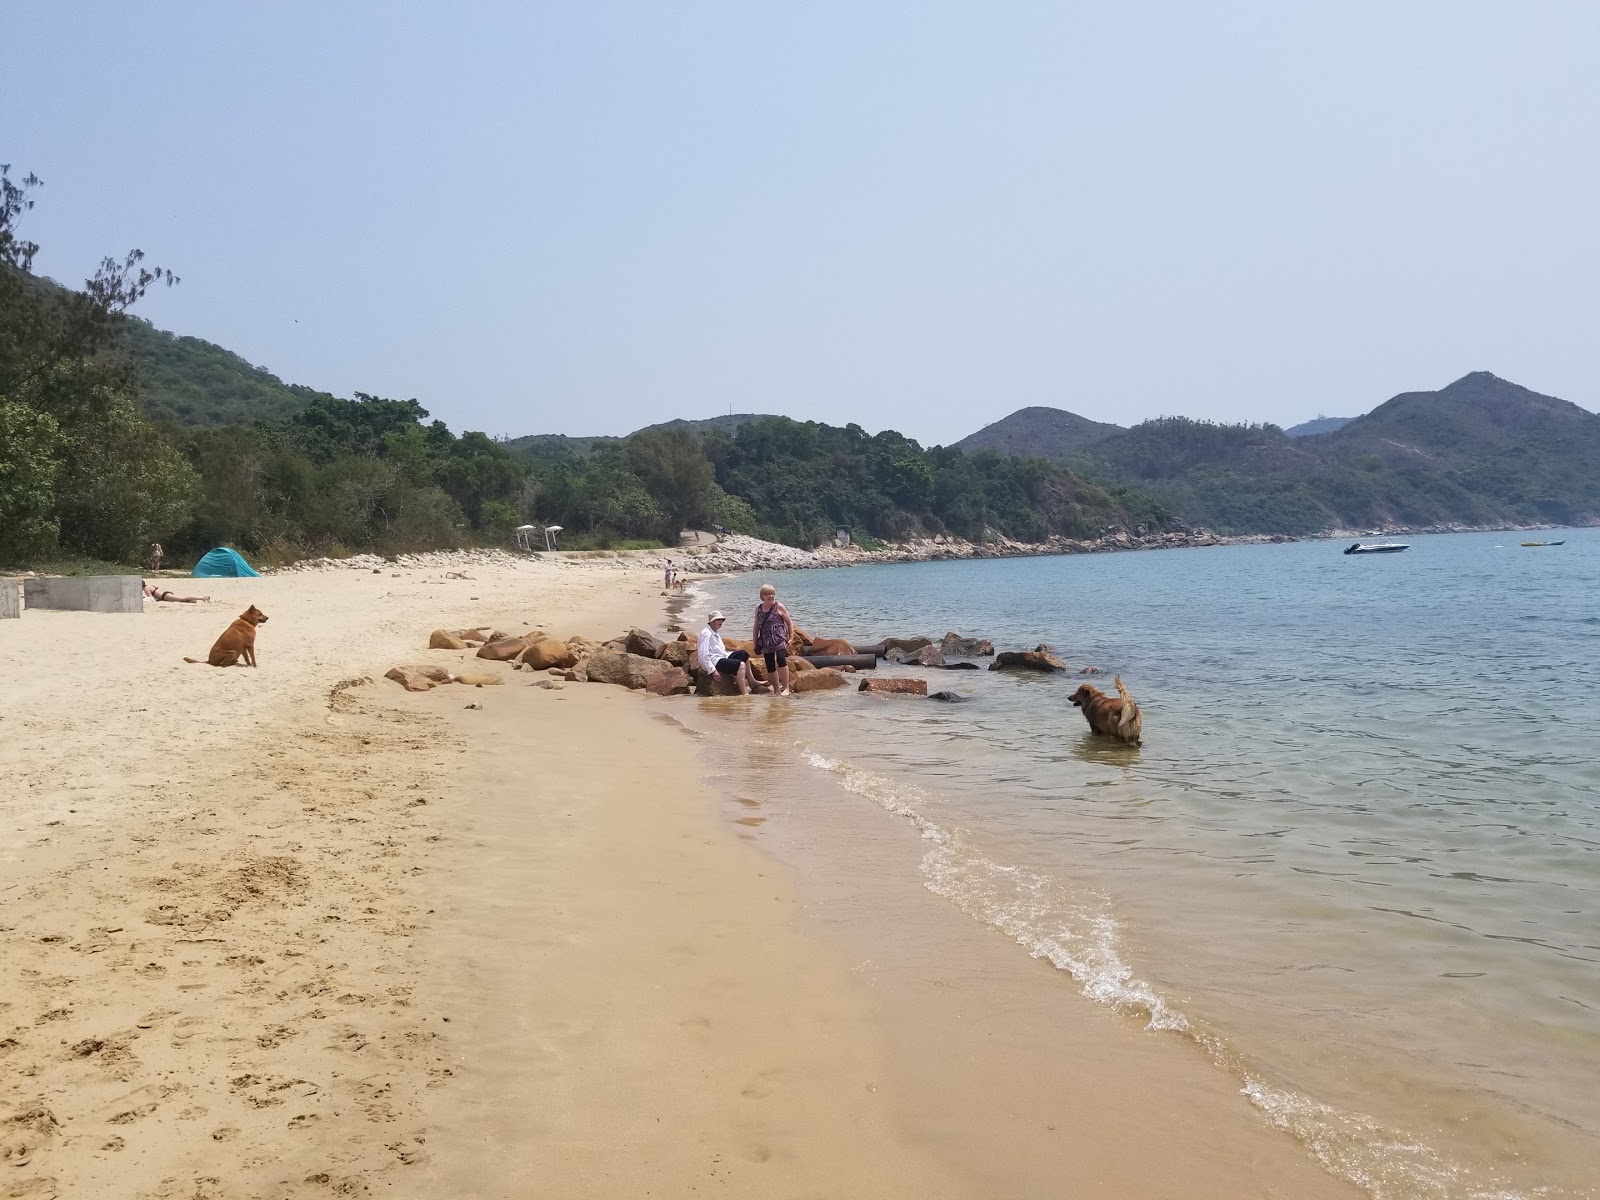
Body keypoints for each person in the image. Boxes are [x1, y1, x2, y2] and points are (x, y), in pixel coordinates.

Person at [696, 610, 757, 695]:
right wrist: (713, 670)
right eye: (718, 620)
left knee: (744, 654)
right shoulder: (706, 633)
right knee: (741, 665)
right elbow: (703, 654)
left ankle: (752, 682)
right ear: (712, 621)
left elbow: (720, 651)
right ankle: (744, 693)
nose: (721, 622)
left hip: (722, 657)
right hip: (715, 661)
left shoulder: (715, 632)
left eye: (722, 620)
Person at [753, 582, 793, 697]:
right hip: (766, 642)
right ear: (762, 596)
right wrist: (755, 642)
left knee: (781, 660)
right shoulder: (759, 609)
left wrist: (790, 638)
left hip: (780, 640)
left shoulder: (779, 606)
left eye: (772, 594)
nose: (770, 596)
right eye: (767, 594)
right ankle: (776, 689)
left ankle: (786, 688)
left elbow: (789, 623)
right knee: (770, 664)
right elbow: (756, 627)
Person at [143, 580, 209, 603]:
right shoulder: (149, 586)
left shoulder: (146, 588)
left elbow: (151, 598)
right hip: (165, 594)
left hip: (165, 596)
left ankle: (202, 598)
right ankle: (193, 600)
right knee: (181, 599)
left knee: (182, 598)